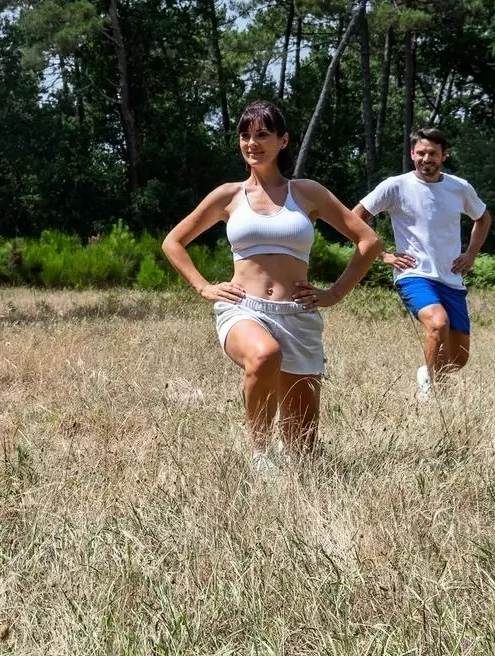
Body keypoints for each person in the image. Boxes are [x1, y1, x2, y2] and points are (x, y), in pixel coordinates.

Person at [161, 100, 382, 468]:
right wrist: (204, 287)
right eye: (245, 136)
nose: (252, 143)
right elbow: (174, 242)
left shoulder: (307, 192)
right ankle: (260, 454)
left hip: (298, 315)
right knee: (264, 355)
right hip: (243, 309)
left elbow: (368, 241)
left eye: (262, 134)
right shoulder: (228, 195)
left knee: (302, 451)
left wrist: (334, 293)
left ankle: (287, 459)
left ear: (283, 140)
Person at [353, 128, 492, 401]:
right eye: (421, 153)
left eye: (433, 154)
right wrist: (383, 254)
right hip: (413, 274)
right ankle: (434, 396)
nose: (426, 159)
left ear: (444, 155)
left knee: (458, 358)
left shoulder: (460, 187)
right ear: (412, 154)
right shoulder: (395, 186)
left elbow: (483, 218)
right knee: (438, 323)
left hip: (451, 277)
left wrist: (471, 254)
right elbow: (355, 217)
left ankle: (428, 372)